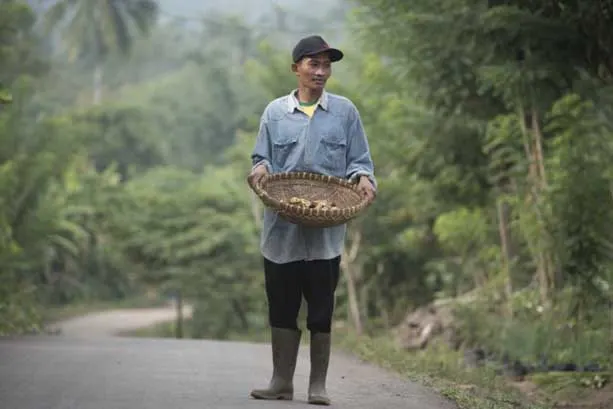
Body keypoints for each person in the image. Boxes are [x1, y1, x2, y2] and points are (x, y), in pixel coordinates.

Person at [247, 35, 376, 406]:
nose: (321, 71)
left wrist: (364, 178)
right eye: (313, 64)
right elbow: (262, 159)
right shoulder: (274, 113)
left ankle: (317, 386)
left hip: (326, 233)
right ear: (296, 69)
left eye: (326, 65)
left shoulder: (345, 112)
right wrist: (259, 172)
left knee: (321, 308)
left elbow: (360, 162)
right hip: (281, 230)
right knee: (282, 307)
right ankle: (280, 382)